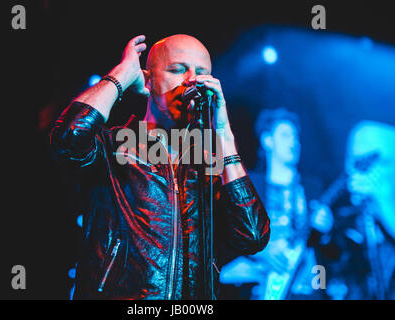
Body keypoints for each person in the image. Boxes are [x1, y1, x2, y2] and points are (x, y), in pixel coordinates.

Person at [50, 34, 270, 299]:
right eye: (177, 69)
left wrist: (222, 133)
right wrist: (121, 75)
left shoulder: (208, 163)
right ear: (147, 80)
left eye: (202, 73)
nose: (192, 80)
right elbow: (68, 137)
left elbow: (253, 236)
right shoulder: (113, 146)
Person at [220, 108, 333, 299]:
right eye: (285, 135)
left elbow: (332, 252)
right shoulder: (249, 186)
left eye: (296, 136)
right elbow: (225, 233)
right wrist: (261, 251)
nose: (294, 142)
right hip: (261, 289)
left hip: (307, 290)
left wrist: (327, 230)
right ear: (267, 140)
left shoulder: (313, 188)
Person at [326, 120, 395, 300]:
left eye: (370, 161)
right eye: (353, 161)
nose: (355, 173)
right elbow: (324, 274)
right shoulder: (346, 222)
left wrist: (383, 204)